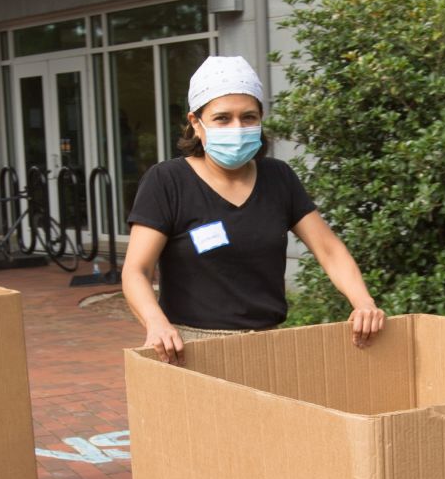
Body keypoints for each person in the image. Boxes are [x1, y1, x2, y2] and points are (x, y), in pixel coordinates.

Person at [122, 54, 384, 357]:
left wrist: (364, 302)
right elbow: (136, 271)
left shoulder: (278, 177)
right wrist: (155, 322)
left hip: (267, 345)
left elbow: (329, 249)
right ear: (196, 123)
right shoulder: (167, 182)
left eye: (248, 117)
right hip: (189, 346)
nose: (237, 127)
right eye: (222, 118)